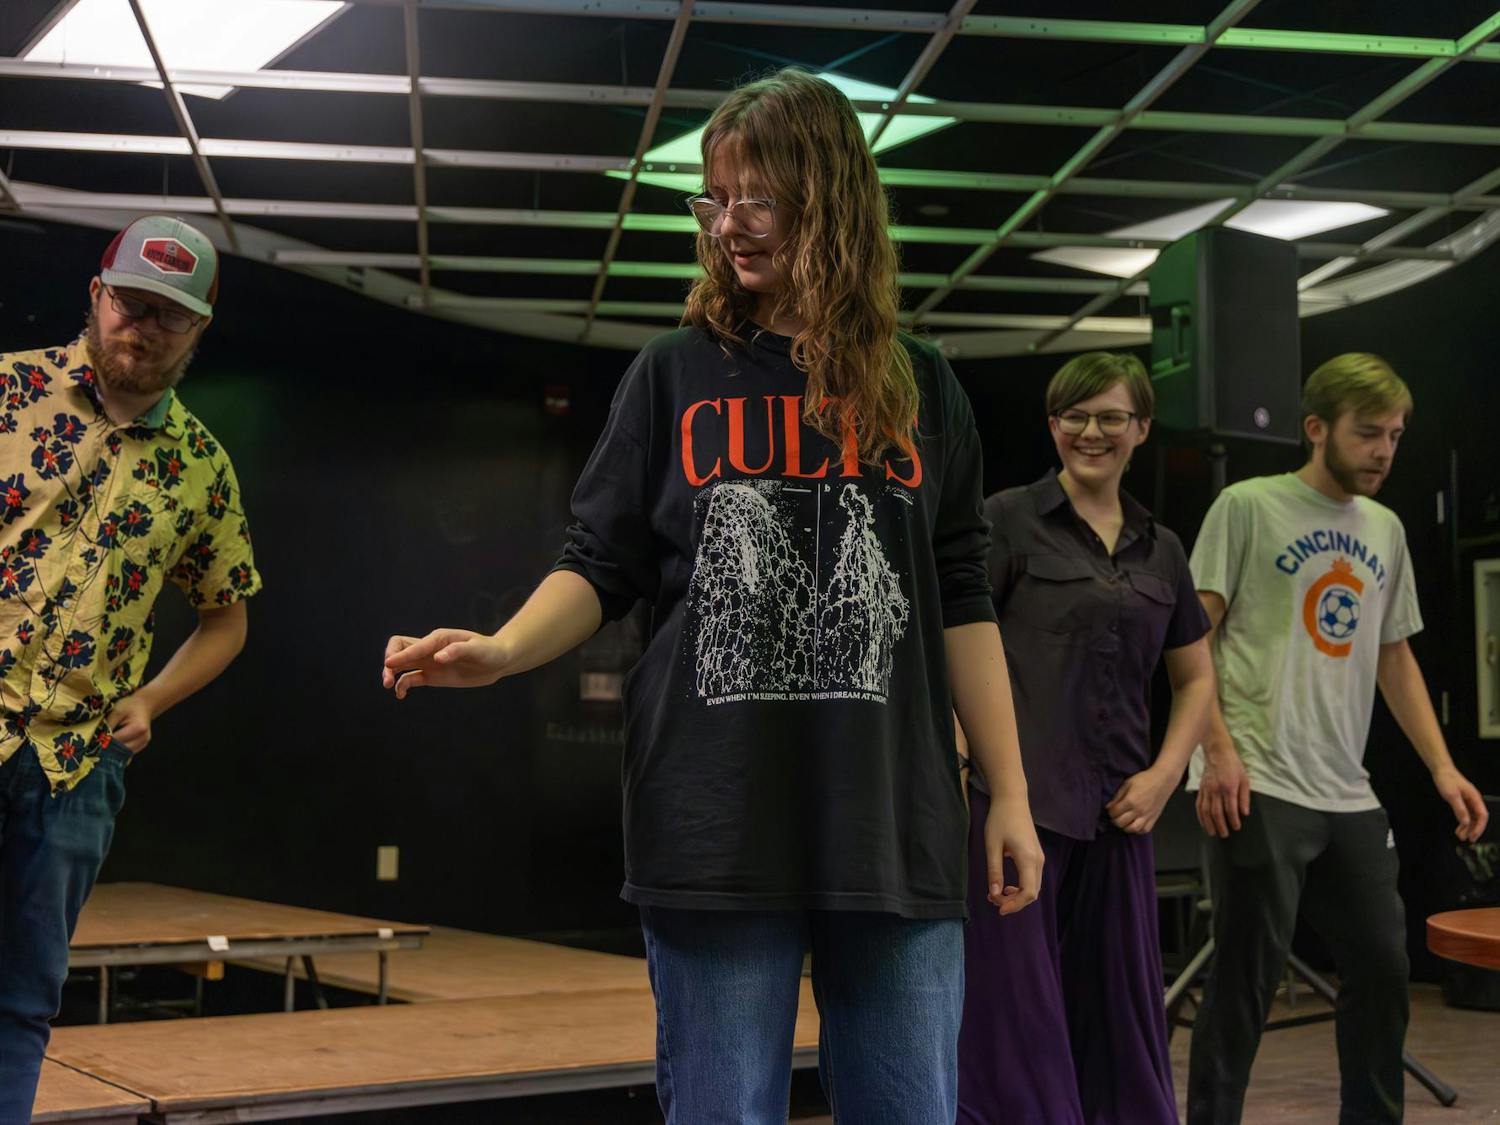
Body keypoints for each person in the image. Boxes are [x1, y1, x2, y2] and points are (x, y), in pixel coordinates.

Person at [383, 68, 1042, 1123]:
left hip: (895, 822)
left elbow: (960, 596)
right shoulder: (671, 375)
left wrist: (1008, 792)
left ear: (829, 199)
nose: (728, 224)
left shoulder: (925, 387)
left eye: (755, 198)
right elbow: (600, 564)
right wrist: (504, 649)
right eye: (714, 199)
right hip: (714, 821)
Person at [0, 216, 261, 1118]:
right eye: (130, 303)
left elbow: (227, 619)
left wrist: (152, 698)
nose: (142, 328)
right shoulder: (8, 391)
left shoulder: (203, 467)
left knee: (22, 996)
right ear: (96, 294)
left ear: (197, 330)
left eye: (168, 315)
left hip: (76, 766)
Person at [1185, 352, 1488, 1124]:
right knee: (1245, 980)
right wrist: (1216, 750)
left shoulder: (1384, 528)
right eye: (1368, 433)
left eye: (1395, 435)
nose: (1384, 450)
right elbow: (1189, 640)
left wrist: (1443, 767)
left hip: (1346, 789)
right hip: (1256, 776)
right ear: (1317, 428)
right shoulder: (1248, 507)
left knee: (1384, 965)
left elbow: (1394, 655)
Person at [957, 352, 1216, 1124]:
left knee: (1120, 1016)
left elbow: (1196, 679)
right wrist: (963, 764)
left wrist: (1166, 774)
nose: (1091, 431)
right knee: (1013, 1016)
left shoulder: (1163, 547)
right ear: (1053, 425)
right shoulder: (1005, 519)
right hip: (1017, 808)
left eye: (1110, 416)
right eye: (1074, 415)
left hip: (1119, 814)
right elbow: (955, 647)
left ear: (1142, 428)